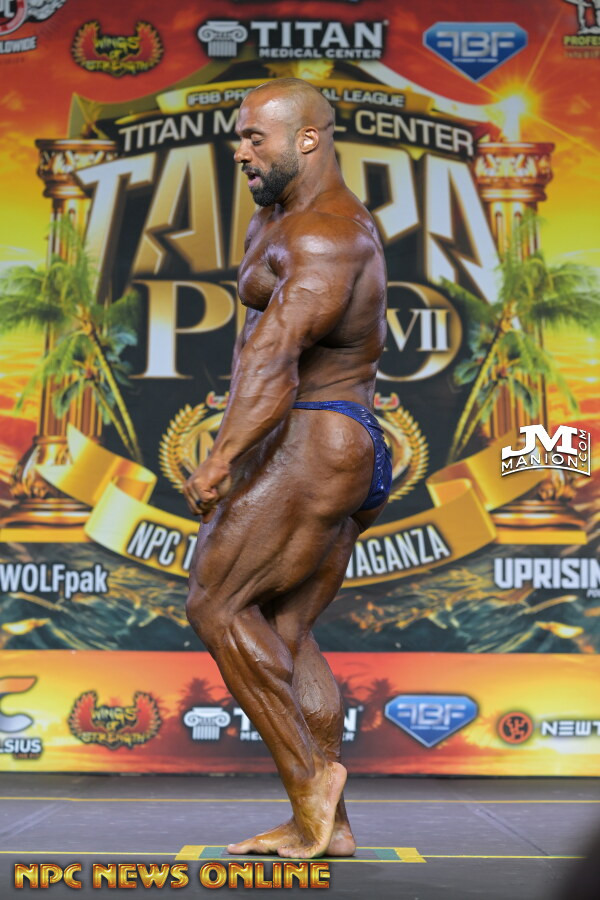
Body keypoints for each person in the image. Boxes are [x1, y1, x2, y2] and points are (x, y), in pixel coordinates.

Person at [183, 77, 398, 859]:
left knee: (215, 604)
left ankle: (312, 786)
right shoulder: (278, 216)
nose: (240, 151)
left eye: (255, 138)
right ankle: (329, 825)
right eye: (239, 137)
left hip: (317, 435)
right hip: (331, 442)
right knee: (285, 628)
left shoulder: (326, 236)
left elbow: (275, 357)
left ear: (308, 139)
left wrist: (220, 459)